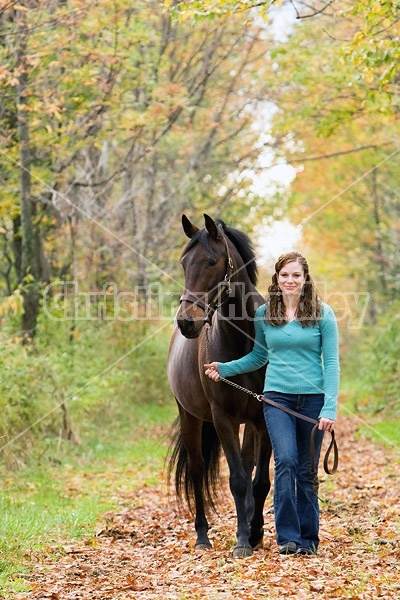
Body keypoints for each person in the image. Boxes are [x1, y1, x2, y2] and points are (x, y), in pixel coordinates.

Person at [204, 251, 339, 556]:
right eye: (284, 275)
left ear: (305, 280)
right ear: (276, 279)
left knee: (306, 471)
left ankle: (308, 539)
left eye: (296, 275)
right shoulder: (264, 315)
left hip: (313, 401)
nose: (290, 281)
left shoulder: (323, 314)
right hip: (277, 398)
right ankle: (288, 538)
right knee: (286, 462)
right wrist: (224, 368)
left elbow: (331, 363)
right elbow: (258, 357)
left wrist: (329, 407)